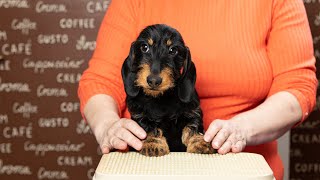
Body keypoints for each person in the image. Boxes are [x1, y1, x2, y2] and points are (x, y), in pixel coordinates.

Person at [78, 1, 317, 179]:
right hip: (146, 169)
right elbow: (101, 81)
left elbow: (297, 85)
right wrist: (107, 125)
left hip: (239, 172)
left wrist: (242, 129)